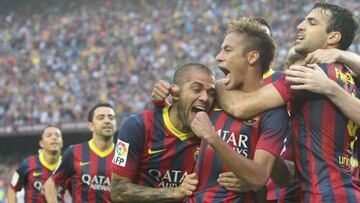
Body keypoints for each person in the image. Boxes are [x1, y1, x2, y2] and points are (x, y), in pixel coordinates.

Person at [215, 2, 360, 202]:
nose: (300, 25)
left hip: (326, 194)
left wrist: (216, 86)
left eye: (311, 22)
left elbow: (240, 107)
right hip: (345, 189)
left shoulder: (309, 73)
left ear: (333, 37)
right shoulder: (347, 75)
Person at [110, 63, 218, 202]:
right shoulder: (137, 126)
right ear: (175, 92)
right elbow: (117, 191)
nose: (204, 97)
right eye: (197, 89)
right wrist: (173, 192)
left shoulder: (210, 135)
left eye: (211, 93)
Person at [44, 103, 117, 203]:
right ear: (91, 126)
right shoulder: (74, 152)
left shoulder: (124, 155)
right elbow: (50, 184)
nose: (107, 121)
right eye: (101, 118)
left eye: (111, 118)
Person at [7, 126, 65, 203]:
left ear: (62, 142)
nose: (54, 137)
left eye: (57, 135)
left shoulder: (67, 165)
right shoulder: (28, 164)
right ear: (41, 143)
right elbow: (12, 189)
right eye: (49, 135)